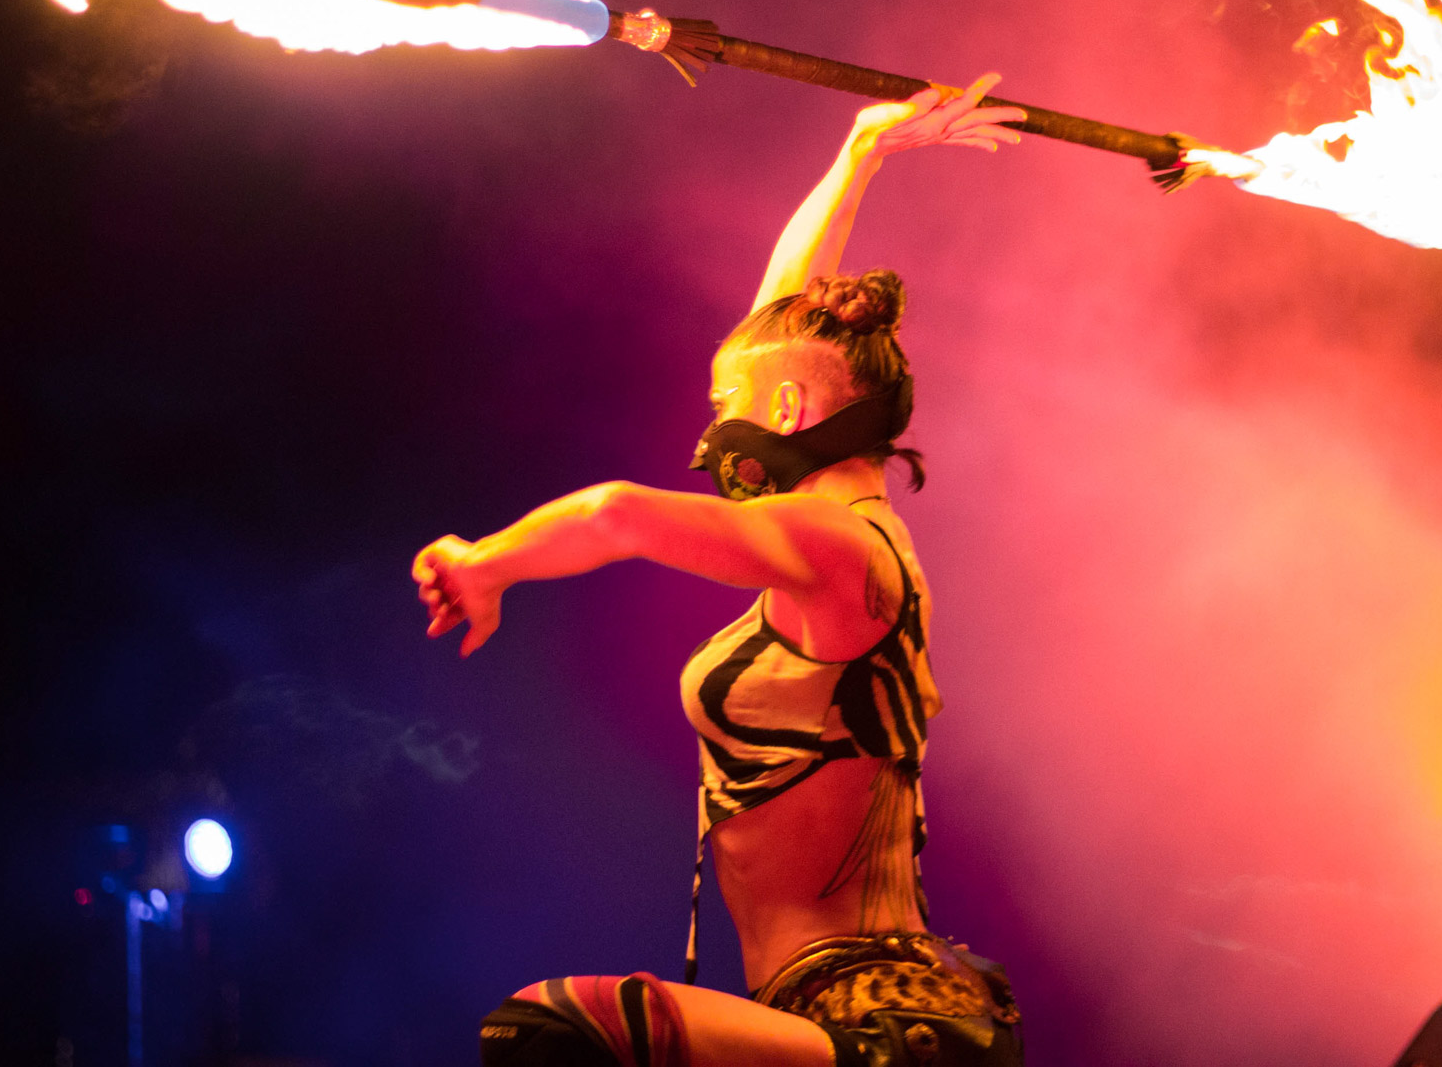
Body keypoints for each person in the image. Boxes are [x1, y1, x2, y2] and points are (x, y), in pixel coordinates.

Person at [412, 74, 1027, 1067]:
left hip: (879, 1028)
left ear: (782, 415)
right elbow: (780, 323)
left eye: (727, 402)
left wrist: (489, 563)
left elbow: (617, 512)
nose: (714, 430)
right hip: (841, 1015)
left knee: (549, 1029)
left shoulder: (838, 550)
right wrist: (859, 154)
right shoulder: (834, 541)